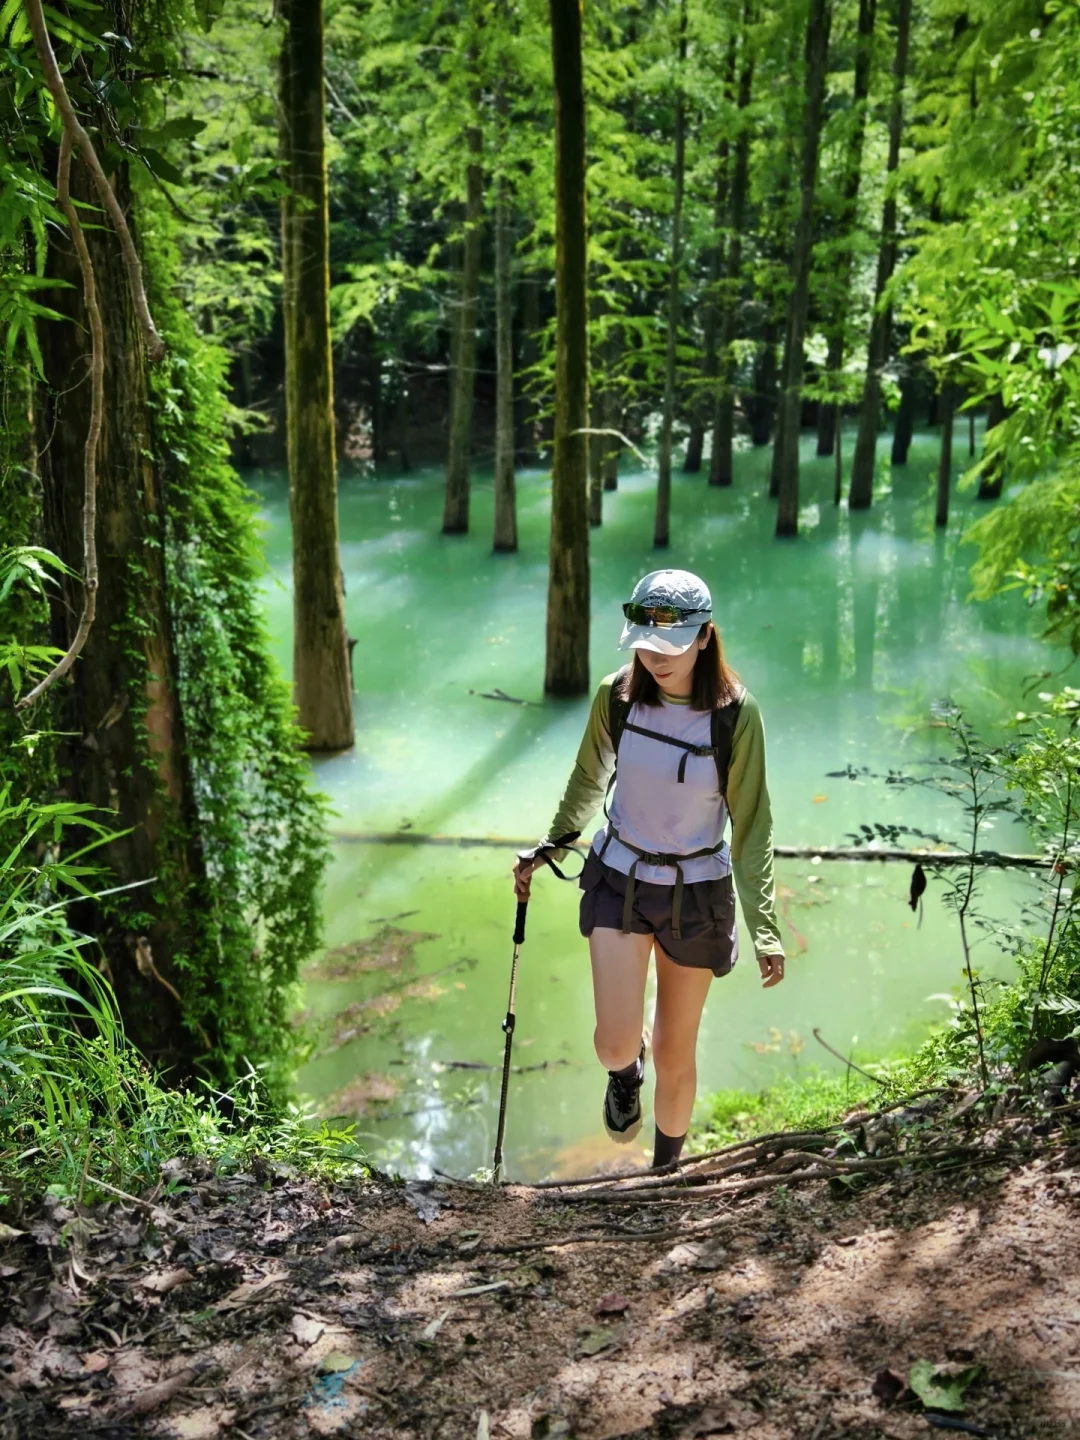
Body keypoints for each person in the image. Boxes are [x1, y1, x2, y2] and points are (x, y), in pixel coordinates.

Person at [512, 568, 785, 1172]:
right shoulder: (617, 695)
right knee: (614, 1040)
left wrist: (765, 926)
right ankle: (623, 1073)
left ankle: (664, 1175)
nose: (654, 658)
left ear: (705, 638)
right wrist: (550, 846)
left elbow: (753, 826)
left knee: (674, 1048)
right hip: (620, 878)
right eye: (643, 643)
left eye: (670, 646)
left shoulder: (735, 717)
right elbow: (587, 780)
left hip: (696, 893)